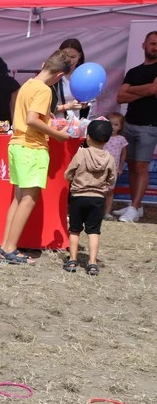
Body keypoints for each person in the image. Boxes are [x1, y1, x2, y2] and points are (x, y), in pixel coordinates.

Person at [0, 50, 72, 265]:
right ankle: (10, 249)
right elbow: (32, 119)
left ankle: (5, 246)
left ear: (43, 64)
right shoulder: (44, 90)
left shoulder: (28, 85)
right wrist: (58, 135)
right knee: (29, 200)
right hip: (31, 147)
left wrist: (49, 120)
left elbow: (30, 115)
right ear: (59, 75)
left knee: (19, 199)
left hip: (18, 145)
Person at [63, 119, 117, 276]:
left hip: (78, 197)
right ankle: (92, 263)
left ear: (88, 137)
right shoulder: (109, 158)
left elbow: (68, 174)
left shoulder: (81, 154)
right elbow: (112, 179)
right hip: (98, 198)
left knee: (74, 230)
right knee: (94, 231)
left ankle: (72, 260)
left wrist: (73, 178)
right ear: (107, 140)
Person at [114, 31, 157, 224]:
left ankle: (134, 207)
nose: (155, 47)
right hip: (129, 123)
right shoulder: (133, 71)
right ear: (144, 45)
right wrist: (146, 90)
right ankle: (136, 206)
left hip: (150, 125)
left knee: (141, 166)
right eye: (152, 43)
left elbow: (153, 90)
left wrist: (133, 89)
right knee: (131, 164)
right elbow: (120, 97)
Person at [51, 38, 91, 121]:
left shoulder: (84, 75)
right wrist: (67, 106)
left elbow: (91, 104)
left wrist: (84, 105)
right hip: (54, 125)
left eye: (73, 57)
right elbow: (43, 109)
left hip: (76, 125)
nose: (69, 60)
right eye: (65, 56)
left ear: (80, 56)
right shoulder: (52, 76)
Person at [103, 112, 128, 219]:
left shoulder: (121, 139)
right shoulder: (102, 136)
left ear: (120, 126)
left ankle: (107, 212)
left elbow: (123, 154)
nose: (112, 127)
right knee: (98, 190)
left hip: (113, 169)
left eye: (116, 124)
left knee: (110, 191)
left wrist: (120, 167)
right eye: (110, 124)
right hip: (100, 168)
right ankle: (95, 211)